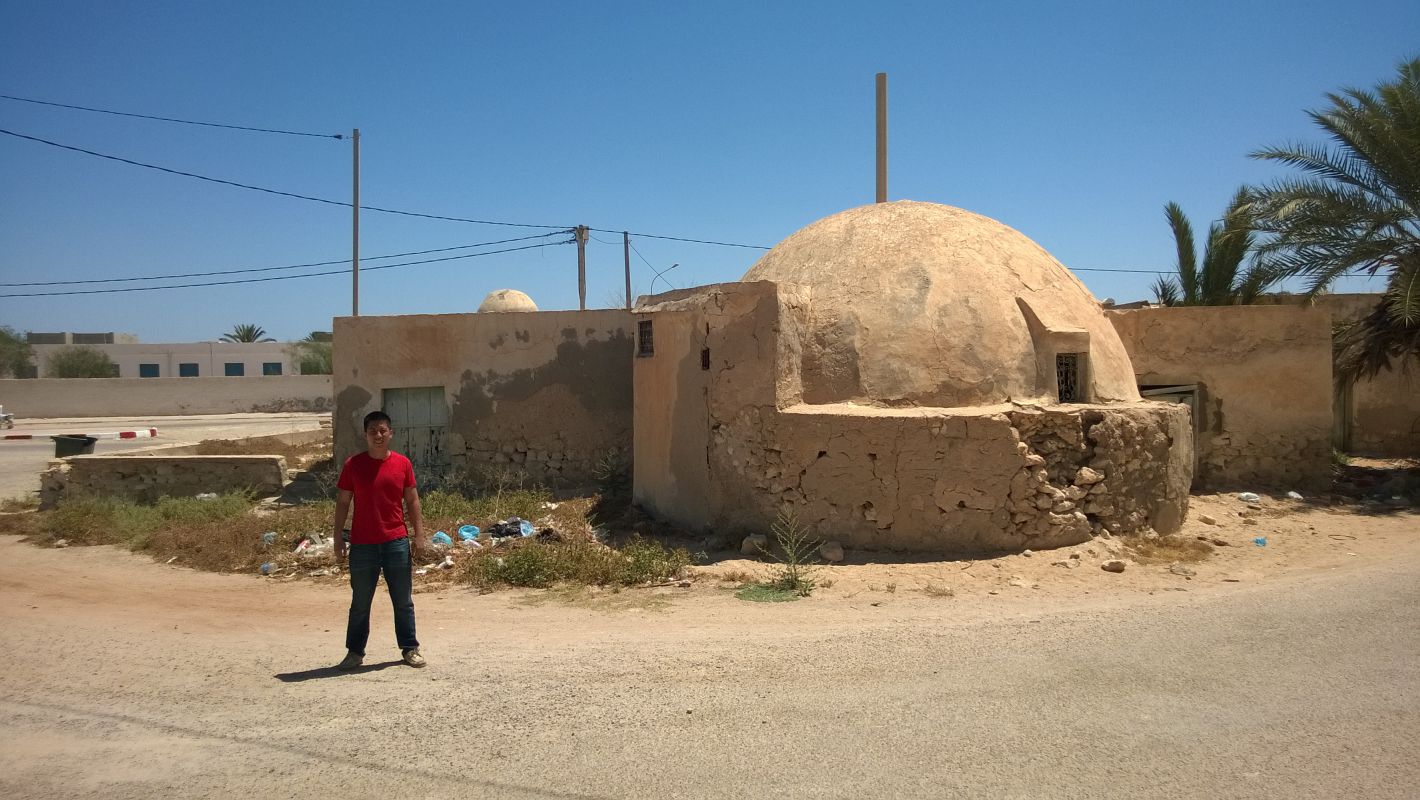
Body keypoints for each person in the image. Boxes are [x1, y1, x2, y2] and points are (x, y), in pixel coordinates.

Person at [333, 410, 427, 669]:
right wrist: (338, 538)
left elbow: (412, 500)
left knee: (403, 600)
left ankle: (410, 648)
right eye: (373, 430)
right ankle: (355, 652)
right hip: (362, 544)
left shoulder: (402, 464)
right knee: (360, 603)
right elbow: (342, 502)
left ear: (391, 433)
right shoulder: (353, 465)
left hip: (396, 541)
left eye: (382, 430)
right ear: (365, 434)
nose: (378, 435)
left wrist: (419, 535)